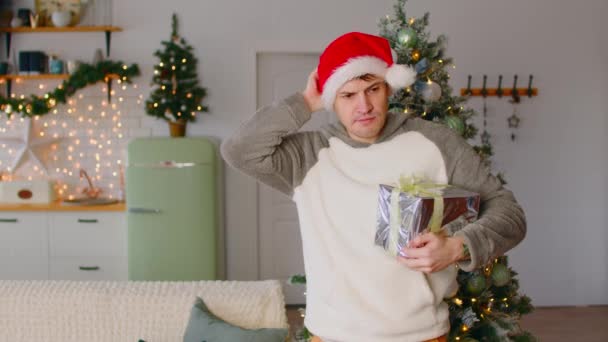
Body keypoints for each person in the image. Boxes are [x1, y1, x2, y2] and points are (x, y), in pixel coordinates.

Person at [221, 32, 526, 342]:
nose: (363, 105)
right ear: (331, 101)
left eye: (373, 89)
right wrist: (304, 102)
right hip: (332, 335)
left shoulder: (437, 143)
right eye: (348, 95)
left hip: (421, 334)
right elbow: (238, 150)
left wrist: (457, 247)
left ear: (388, 88)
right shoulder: (308, 156)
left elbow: (509, 214)